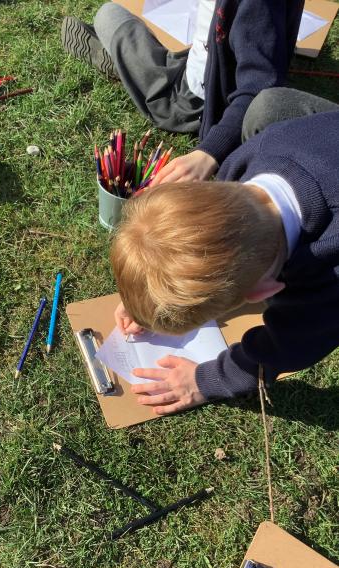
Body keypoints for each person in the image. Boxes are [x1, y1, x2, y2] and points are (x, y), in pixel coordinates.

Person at [110, 110, 339, 415]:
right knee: (271, 104)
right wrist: (143, 297)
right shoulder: (251, 155)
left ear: (264, 292)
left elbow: (291, 345)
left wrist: (204, 380)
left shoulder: (329, 274)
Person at [62, 1, 337, 184]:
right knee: (119, 16)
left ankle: (126, 66)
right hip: (200, 58)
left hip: (195, 101)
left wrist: (208, 153)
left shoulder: (259, 5)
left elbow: (257, 88)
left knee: (108, 16)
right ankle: (130, 64)